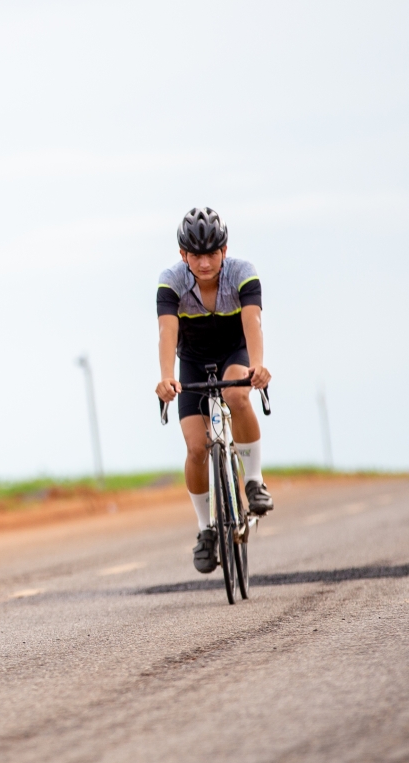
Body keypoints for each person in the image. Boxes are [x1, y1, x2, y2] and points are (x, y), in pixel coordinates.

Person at [155, 207, 273, 574]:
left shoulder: (242, 273)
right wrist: (166, 377)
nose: (204, 263)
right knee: (196, 447)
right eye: (196, 255)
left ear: (224, 250)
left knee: (236, 396)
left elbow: (253, 321)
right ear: (183, 254)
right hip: (192, 360)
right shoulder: (171, 281)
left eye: (211, 253)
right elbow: (166, 332)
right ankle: (206, 530)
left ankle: (253, 482)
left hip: (235, 354)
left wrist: (257, 365)